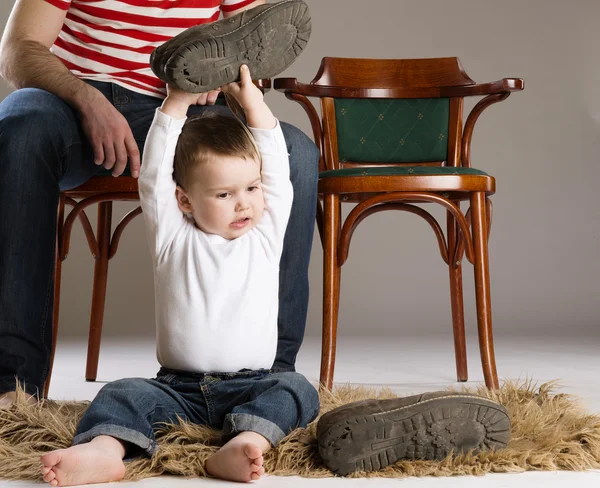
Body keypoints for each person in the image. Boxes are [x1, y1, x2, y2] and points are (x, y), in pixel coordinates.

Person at [0, 0, 318, 407]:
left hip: (189, 102)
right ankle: (13, 385)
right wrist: (86, 99)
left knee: (295, 154)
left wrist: (220, 72)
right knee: (19, 131)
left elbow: (257, 44)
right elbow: (18, 49)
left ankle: (273, 378)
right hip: (77, 97)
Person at [39, 64, 320, 486]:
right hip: (176, 389)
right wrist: (176, 101)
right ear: (185, 201)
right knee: (121, 394)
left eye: (250, 188)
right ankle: (103, 451)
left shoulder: (264, 236)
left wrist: (255, 105)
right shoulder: (173, 236)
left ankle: (245, 443)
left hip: (253, 384)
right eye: (224, 194)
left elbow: (278, 168)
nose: (243, 204)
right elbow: (152, 176)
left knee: (298, 389)